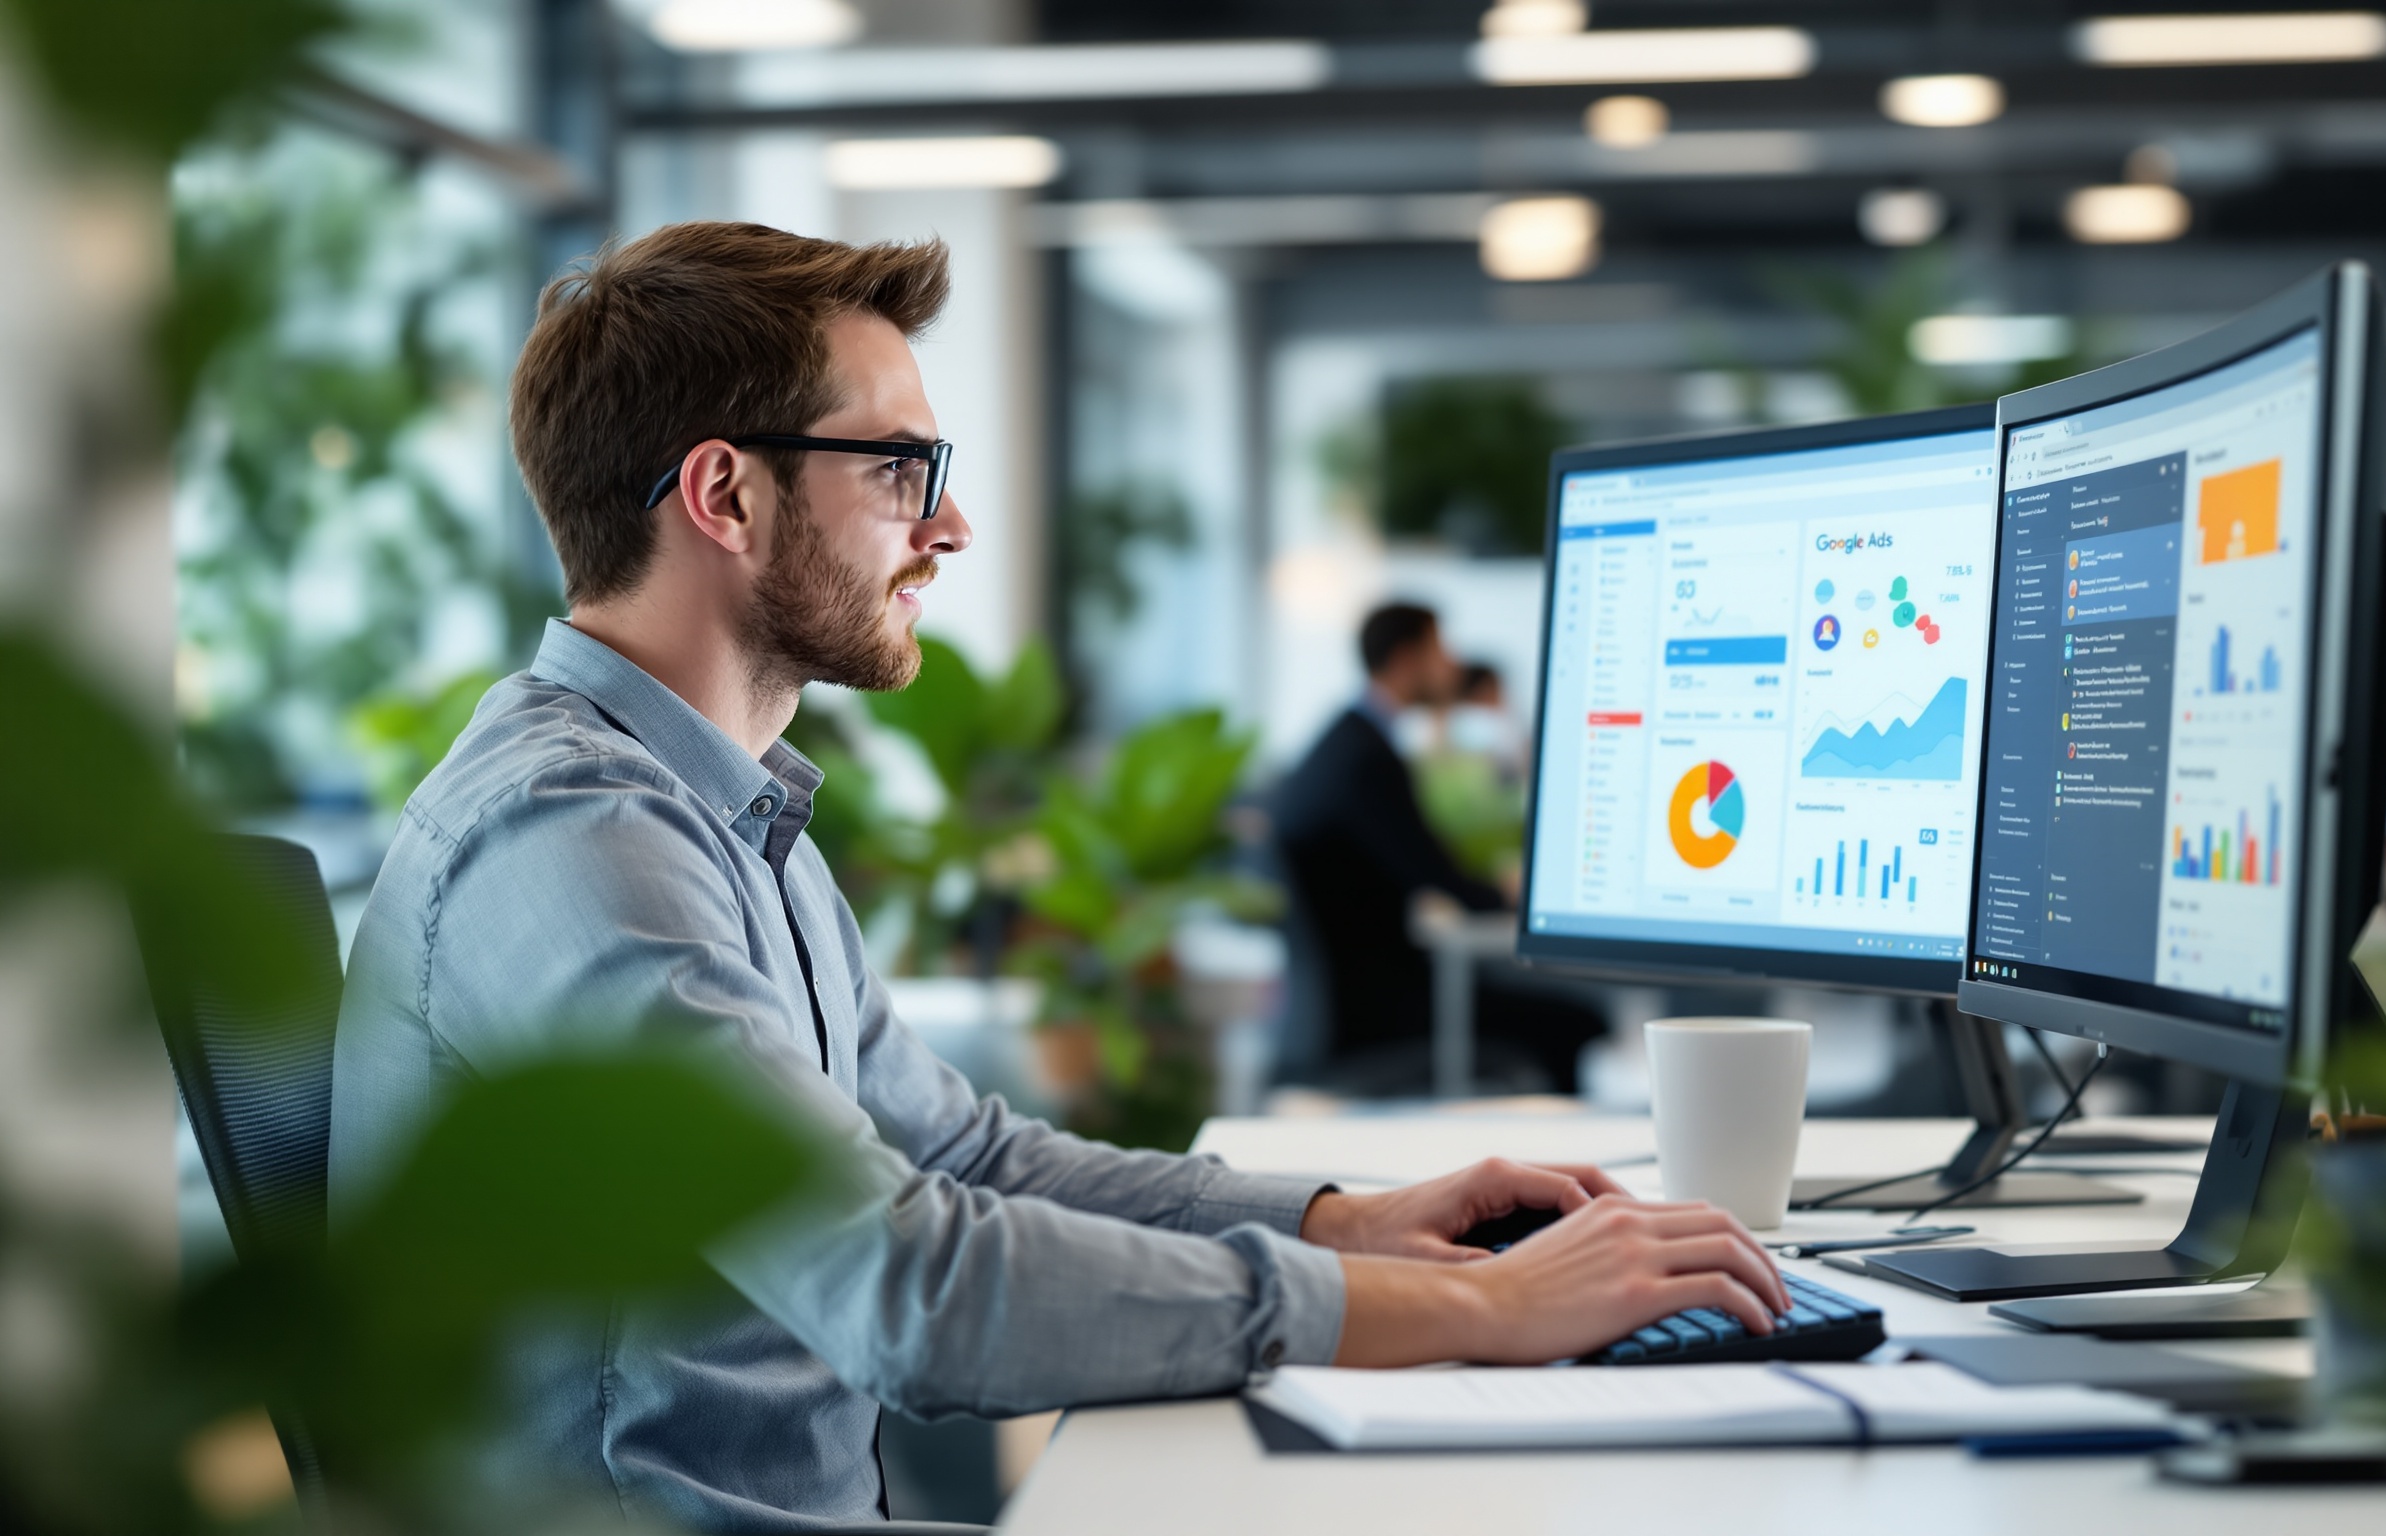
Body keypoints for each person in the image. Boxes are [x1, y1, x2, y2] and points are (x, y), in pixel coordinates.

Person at [328, 223, 1786, 1529]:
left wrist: (1345, 1222)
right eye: (901, 469)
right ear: (725, 495)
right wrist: (1474, 1306)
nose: (948, 527)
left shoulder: (720, 814)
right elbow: (911, 1291)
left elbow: (966, 1162)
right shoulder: (575, 834)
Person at [1276, 607, 1602, 1093]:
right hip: (1380, 1009)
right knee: (1576, 1021)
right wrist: (1518, 896)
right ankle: (1557, 1166)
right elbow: (1435, 874)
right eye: (1441, 650)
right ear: (1408, 659)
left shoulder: (1343, 740)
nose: (1452, 666)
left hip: (1343, 1003)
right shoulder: (1367, 759)